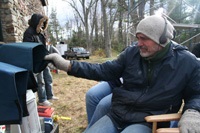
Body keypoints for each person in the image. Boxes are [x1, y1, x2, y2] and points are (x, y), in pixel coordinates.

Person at [44, 15, 200, 133]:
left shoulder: (187, 62)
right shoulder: (132, 53)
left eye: (144, 39)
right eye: (138, 38)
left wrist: (193, 111)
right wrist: (68, 65)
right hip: (118, 114)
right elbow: (103, 70)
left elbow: (196, 94)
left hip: (148, 120)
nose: (138, 43)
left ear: (162, 39)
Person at [23, 13, 58, 106]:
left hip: (44, 59)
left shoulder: (41, 33)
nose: (43, 25)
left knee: (48, 78)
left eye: (44, 23)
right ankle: (42, 100)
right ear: (36, 22)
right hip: (36, 61)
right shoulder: (28, 32)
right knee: (40, 81)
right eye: (41, 22)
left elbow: (43, 46)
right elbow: (28, 47)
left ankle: (49, 95)